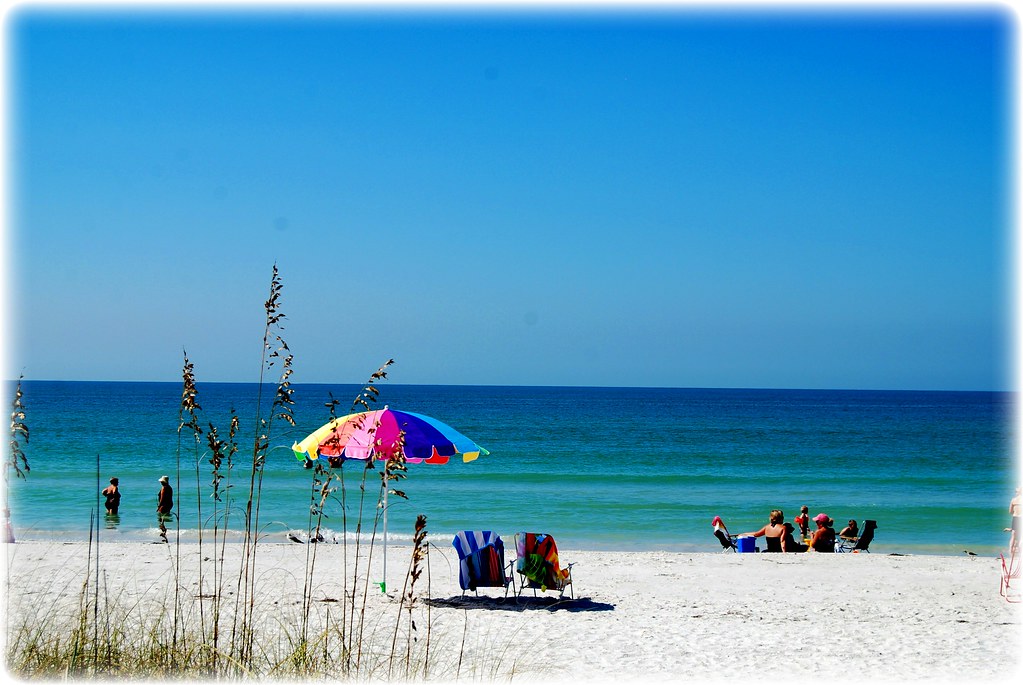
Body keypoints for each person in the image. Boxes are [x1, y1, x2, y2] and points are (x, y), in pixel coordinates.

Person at [1008, 487, 1021, 552]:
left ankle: (1010, 550)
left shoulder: (1013, 500)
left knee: (1013, 535)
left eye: (1016, 491)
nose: (1015, 492)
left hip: (1016, 517)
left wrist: (1015, 512)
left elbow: (1010, 511)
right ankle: (1019, 549)